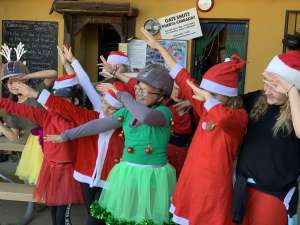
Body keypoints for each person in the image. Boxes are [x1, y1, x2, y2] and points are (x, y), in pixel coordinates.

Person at [141, 27, 248, 225]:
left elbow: (223, 119)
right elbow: (183, 78)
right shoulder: (208, 107)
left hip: (213, 188)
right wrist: (159, 47)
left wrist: (206, 99)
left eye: (214, 94)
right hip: (192, 180)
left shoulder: (238, 116)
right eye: (207, 93)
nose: (206, 97)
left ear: (230, 94)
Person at [45, 64, 176, 225]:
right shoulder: (127, 111)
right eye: (138, 88)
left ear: (161, 96)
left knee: (147, 219)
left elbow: (146, 117)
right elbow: (97, 125)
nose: (139, 93)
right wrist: (66, 136)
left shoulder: (163, 113)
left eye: (144, 91)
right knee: (120, 218)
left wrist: (123, 95)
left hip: (152, 176)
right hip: (128, 173)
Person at [0, 74, 84, 225]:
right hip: (50, 169)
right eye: (57, 101)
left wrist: (51, 108)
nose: (59, 104)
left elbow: (65, 130)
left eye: (64, 101)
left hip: (67, 172)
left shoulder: (76, 118)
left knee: (61, 218)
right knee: (53, 211)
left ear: (75, 101)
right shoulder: (47, 116)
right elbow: (21, 109)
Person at [233, 49, 300, 225]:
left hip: (273, 196)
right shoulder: (257, 98)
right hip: (243, 188)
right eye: (266, 83)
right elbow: (226, 104)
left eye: (274, 87)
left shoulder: (297, 109)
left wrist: (292, 91)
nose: (267, 90)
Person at [0, 42, 56, 183]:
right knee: (38, 179)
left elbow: (53, 73)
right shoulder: (10, 107)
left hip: (53, 135)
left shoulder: (37, 91)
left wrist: (28, 76)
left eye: (17, 80)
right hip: (35, 143)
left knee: (54, 176)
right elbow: (13, 136)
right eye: (10, 82)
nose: (13, 85)